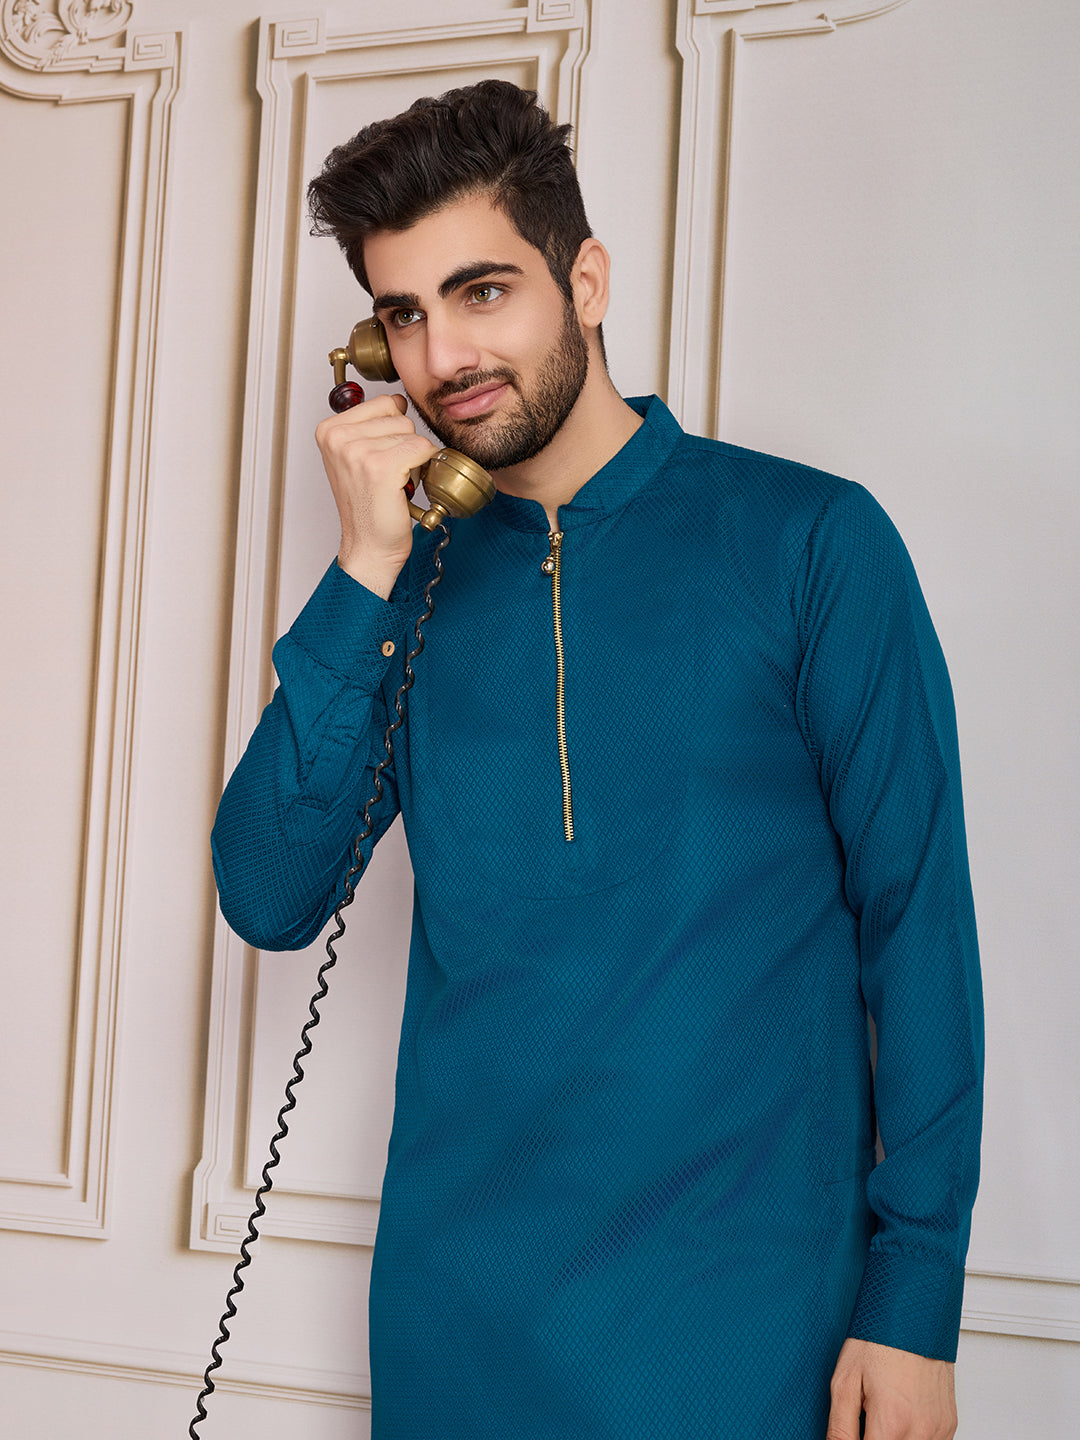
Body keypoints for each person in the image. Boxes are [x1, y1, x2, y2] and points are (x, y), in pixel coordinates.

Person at [212, 79, 982, 1440]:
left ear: (586, 281)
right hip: (460, 1328)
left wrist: (914, 1300)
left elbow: (916, 925)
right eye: (405, 315)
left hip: (748, 1325)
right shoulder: (408, 586)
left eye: (482, 292)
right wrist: (364, 566)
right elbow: (269, 894)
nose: (445, 354)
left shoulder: (811, 542)